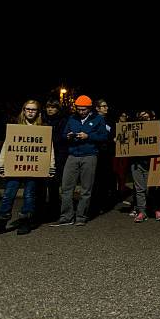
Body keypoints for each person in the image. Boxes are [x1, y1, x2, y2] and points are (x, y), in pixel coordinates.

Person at [0, 100, 55, 235]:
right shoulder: (16, 127)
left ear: (38, 112)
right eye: (28, 109)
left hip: (33, 168)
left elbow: (49, 149)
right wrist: (1, 165)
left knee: (29, 195)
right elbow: (7, 147)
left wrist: (51, 166)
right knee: (8, 194)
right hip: (16, 167)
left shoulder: (43, 128)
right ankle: (1, 220)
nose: (30, 111)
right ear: (23, 110)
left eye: (33, 109)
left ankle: (25, 221)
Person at [50, 95, 108, 227]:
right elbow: (64, 135)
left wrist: (88, 136)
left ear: (89, 108)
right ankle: (66, 216)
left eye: (84, 109)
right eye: (79, 109)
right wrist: (68, 136)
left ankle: (81, 216)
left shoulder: (98, 119)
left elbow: (104, 136)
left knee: (86, 189)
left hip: (90, 156)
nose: (81, 112)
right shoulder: (72, 119)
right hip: (72, 156)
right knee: (66, 187)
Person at [130, 110, 160, 223]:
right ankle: (142, 212)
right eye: (142, 117)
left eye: (146, 117)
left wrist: (159, 139)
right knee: (140, 189)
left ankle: (157, 209)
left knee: (152, 188)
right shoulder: (133, 131)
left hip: (151, 162)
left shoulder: (156, 129)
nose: (144, 119)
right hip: (137, 162)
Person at [42, 98, 68, 222]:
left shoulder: (63, 121)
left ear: (57, 109)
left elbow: (61, 138)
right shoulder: (42, 119)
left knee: (54, 182)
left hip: (58, 155)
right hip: (43, 155)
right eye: (48, 107)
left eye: (53, 107)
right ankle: (41, 209)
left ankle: (54, 210)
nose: (50, 109)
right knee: (42, 183)